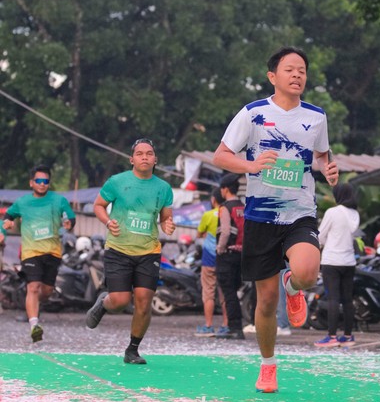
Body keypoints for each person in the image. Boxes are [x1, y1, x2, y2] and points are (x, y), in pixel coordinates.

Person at [213, 46, 339, 393]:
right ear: (273, 76)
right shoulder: (253, 113)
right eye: (289, 69)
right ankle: (268, 365)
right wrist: (251, 165)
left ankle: (293, 286)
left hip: (300, 212)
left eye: (302, 70)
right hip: (260, 216)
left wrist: (328, 168)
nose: (297, 75)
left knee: (307, 272)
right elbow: (221, 155)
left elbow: (322, 155)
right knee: (266, 301)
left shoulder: (316, 117)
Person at [86, 138, 176, 364]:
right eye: (139, 153)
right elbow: (98, 205)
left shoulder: (163, 188)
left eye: (149, 153)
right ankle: (104, 302)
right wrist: (108, 222)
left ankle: (132, 350)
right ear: (132, 159)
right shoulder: (117, 182)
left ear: (155, 159)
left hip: (149, 251)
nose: (145, 157)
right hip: (119, 249)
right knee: (120, 301)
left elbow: (165, 217)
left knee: (144, 302)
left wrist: (168, 224)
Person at [2, 164, 76, 342]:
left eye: (45, 181)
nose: (42, 184)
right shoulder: (22, 202)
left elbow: (70, 217)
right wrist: (7, 224)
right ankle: (34, 326)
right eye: (38, 180)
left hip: (52, 252)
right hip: (30, 251)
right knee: (33, 287)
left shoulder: (59, 200)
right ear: (31, 183)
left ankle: (35, 304)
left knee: (46, 291)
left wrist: (69, 223)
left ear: (49, 183)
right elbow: (8, 216)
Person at [314, 183, 360, 348]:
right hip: (349, 261)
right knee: (347, 299)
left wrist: (327, 243)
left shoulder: (332, 212)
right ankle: (348, 336)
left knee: (333, 298)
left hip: (332, 260)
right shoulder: (355, 214)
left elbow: (320, 236)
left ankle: (332, 336)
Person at [214, 173, 245, 340]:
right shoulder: (243, 206)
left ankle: (235, 328)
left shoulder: (225, 207)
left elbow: (225, 231)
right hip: (242, 255)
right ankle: (237, 326)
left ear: (225, 189)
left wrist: (220, 248)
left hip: (228, 255)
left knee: (228, 292)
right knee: (234, 290)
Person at [194, 188, 229, 337]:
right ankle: (226, 325)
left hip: (208, 259)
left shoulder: (208, 215)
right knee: (225, 293)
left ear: (213, 200)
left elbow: (199, 234)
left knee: (208, 293)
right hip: (224, 258)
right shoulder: (227, 214)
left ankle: (208, 326)